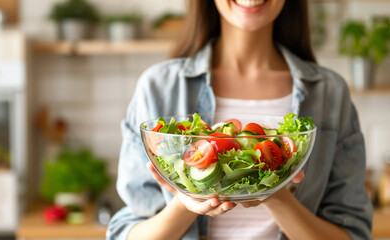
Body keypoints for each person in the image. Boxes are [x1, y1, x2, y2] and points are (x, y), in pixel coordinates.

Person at [106, 0, 373, 239]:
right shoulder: (158, 88)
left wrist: (277, 195)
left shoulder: (330, 93)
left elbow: (354, 233)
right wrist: (187, 200)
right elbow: (123, 233)